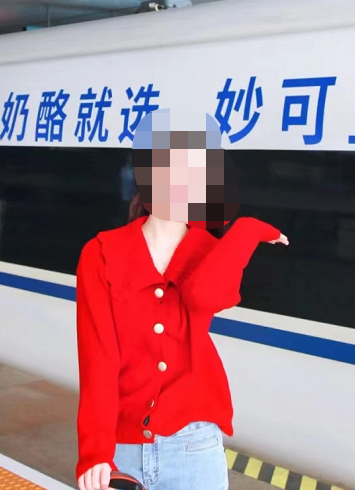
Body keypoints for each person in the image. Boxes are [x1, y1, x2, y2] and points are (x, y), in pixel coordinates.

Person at [75, 111, 288, 490]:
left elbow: (204, 295)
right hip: (121, 449)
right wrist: (95, 451)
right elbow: (98, 359)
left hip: (194, 445)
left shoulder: (211, 250)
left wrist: (247, 230)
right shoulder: (101, 253)